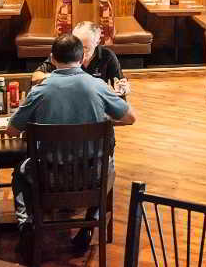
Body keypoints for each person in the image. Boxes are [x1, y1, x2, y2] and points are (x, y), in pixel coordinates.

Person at [8, 34, 136, 259]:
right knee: (110, 167)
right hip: (91, 177)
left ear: (52, 59)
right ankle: (89, 226)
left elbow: (12, 130)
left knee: (20, 173)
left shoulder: (39, 91)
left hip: (48, 178)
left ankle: (27, 226)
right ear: (81, 58)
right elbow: (130, 117)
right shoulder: (97, 86)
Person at [32, 21, 129, 95]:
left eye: (85, 48)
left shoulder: (107, 55)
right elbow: (35, 77)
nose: (79, 51)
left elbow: (119, 82)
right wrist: (59, 76)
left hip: (95, 100)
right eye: (76, 45)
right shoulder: (64, 50)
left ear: (97, 42)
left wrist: (123, 88)